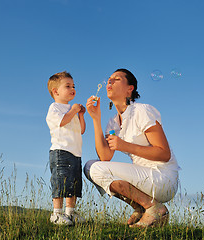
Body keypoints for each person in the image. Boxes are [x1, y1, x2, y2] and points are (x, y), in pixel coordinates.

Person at [84, 69, 180, 228]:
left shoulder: (142, 111)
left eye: (116, 79)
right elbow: (105, 157)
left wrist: (125, 146)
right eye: (109, 79)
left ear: (130, 88)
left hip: (162, 177)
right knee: (90, 167)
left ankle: (154, 208)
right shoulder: (114, 123)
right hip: (143, 177)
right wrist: (95, 118)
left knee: (96, 169)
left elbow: (164, 153)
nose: (110, 82)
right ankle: (141, 207)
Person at [46, 71, 86, 225]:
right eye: (67, 86)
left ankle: (70, 212)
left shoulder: (71, 110)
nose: (72, 88)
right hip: (61, 151)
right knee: (60, 180)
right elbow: (62, 122)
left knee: (73, 183)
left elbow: (82, 130)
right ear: (56, 91)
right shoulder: (55, 108)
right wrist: (74, 111)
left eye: (73, 86)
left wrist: (81, 115)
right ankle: (57, 213)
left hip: (75, 152)